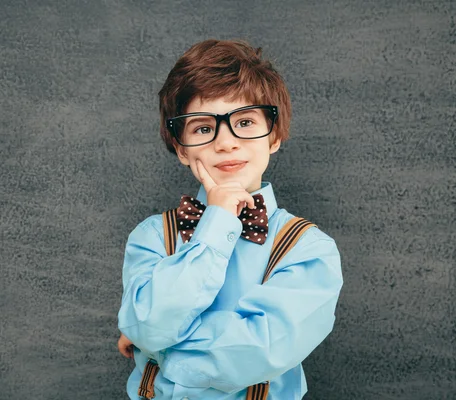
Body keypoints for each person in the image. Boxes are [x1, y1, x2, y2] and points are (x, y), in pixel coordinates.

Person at [116, 39, 343, 400]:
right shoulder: (153, 236)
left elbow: (255, 350)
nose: (225, 142)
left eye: (245, 121)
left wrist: (155, 343)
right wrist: (218, 221)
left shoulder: (310, 249)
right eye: (203, 128)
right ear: (181, 148)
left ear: (275, 135)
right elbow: (147, 325)